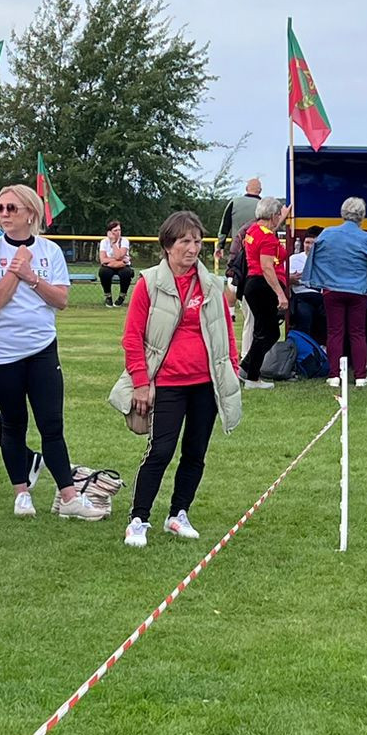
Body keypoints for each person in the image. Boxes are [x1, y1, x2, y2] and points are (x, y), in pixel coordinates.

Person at [0, 185, 109, 519]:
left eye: (12, 208)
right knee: (13, 424)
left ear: (31, 213)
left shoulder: (49, 251)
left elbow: (61, 300)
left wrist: (32, 277)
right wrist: (15, 269)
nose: (4, 214)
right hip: (1, 352)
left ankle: (68, 496)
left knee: (51, 424)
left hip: (42, 348)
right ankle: (21, 493)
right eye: (0, 208)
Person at [121, 211, 241, 547]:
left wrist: (231, 369)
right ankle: (139, 519)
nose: (192, 248)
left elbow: (225, 331)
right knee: (160, 450)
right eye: (185, 241)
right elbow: (132, 337)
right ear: (168, 245)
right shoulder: (148, 283)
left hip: (206, 382)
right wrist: (141, 382)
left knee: (195, 452)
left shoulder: (212, 285)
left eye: (197, 241)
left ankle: (178, 514)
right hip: (167, 383)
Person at [307, 197, 367, 388]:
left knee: (334, 332)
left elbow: (314, 256)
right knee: (358, 333)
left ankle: (334, 376)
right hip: (358, 292)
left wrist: (318, 279)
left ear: (342, 213)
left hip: (332, 290)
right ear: (362, 216)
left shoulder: (327, 233)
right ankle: (360, 376)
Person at [238, 196, 291, 389]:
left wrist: (281, 218)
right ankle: (252, 377)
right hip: (263, 285)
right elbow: (267, 267)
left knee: (264, 331)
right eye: (278, 215)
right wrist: (280, 294)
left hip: (252, 285)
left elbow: (267, 231)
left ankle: (246, 368)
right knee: (268, 333)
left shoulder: (253, 230)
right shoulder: (268, 237)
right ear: (273, 215)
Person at [217, 177, 263, 261]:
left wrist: (220, 246)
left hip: (237, 249)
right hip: (258, 252)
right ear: (260, 190)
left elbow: (225, 227)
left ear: (246, 188)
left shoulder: (234, 202)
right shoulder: (264, 206)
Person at [97, 222, 133, 307]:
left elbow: (119, 256)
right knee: (104, 272)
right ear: (109, 232)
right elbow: (103, 260)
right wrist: (119, 260)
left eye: (119, 230)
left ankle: (122, 296)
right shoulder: (104, 242)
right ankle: (108, 296)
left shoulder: (124, 241)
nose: (118, 232)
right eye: (115, 230)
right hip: (110, 265)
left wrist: (113, 244)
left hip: (122, 266)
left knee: (126, 273)